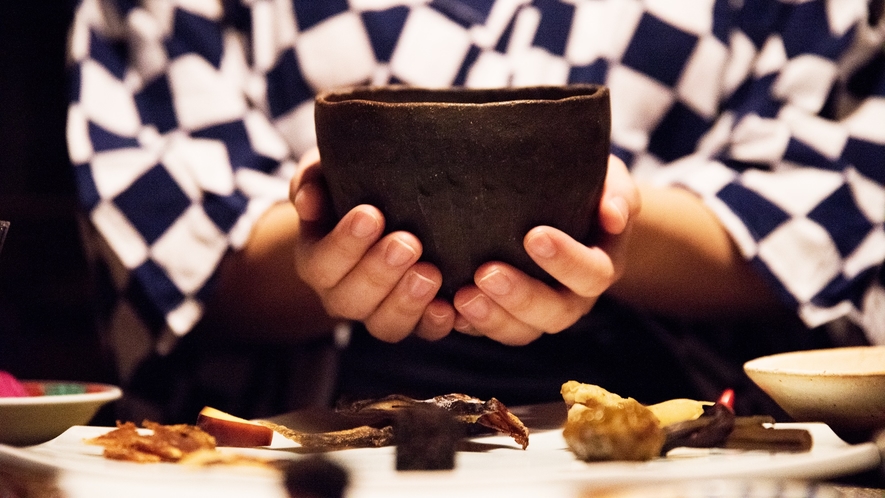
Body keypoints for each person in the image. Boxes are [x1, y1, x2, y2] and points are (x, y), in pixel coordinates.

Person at [67, 0, 884, 423]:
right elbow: (164, 231)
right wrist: (325, 245)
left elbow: (842, 198)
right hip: (311, 420)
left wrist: (615, 237)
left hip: (683, 413)